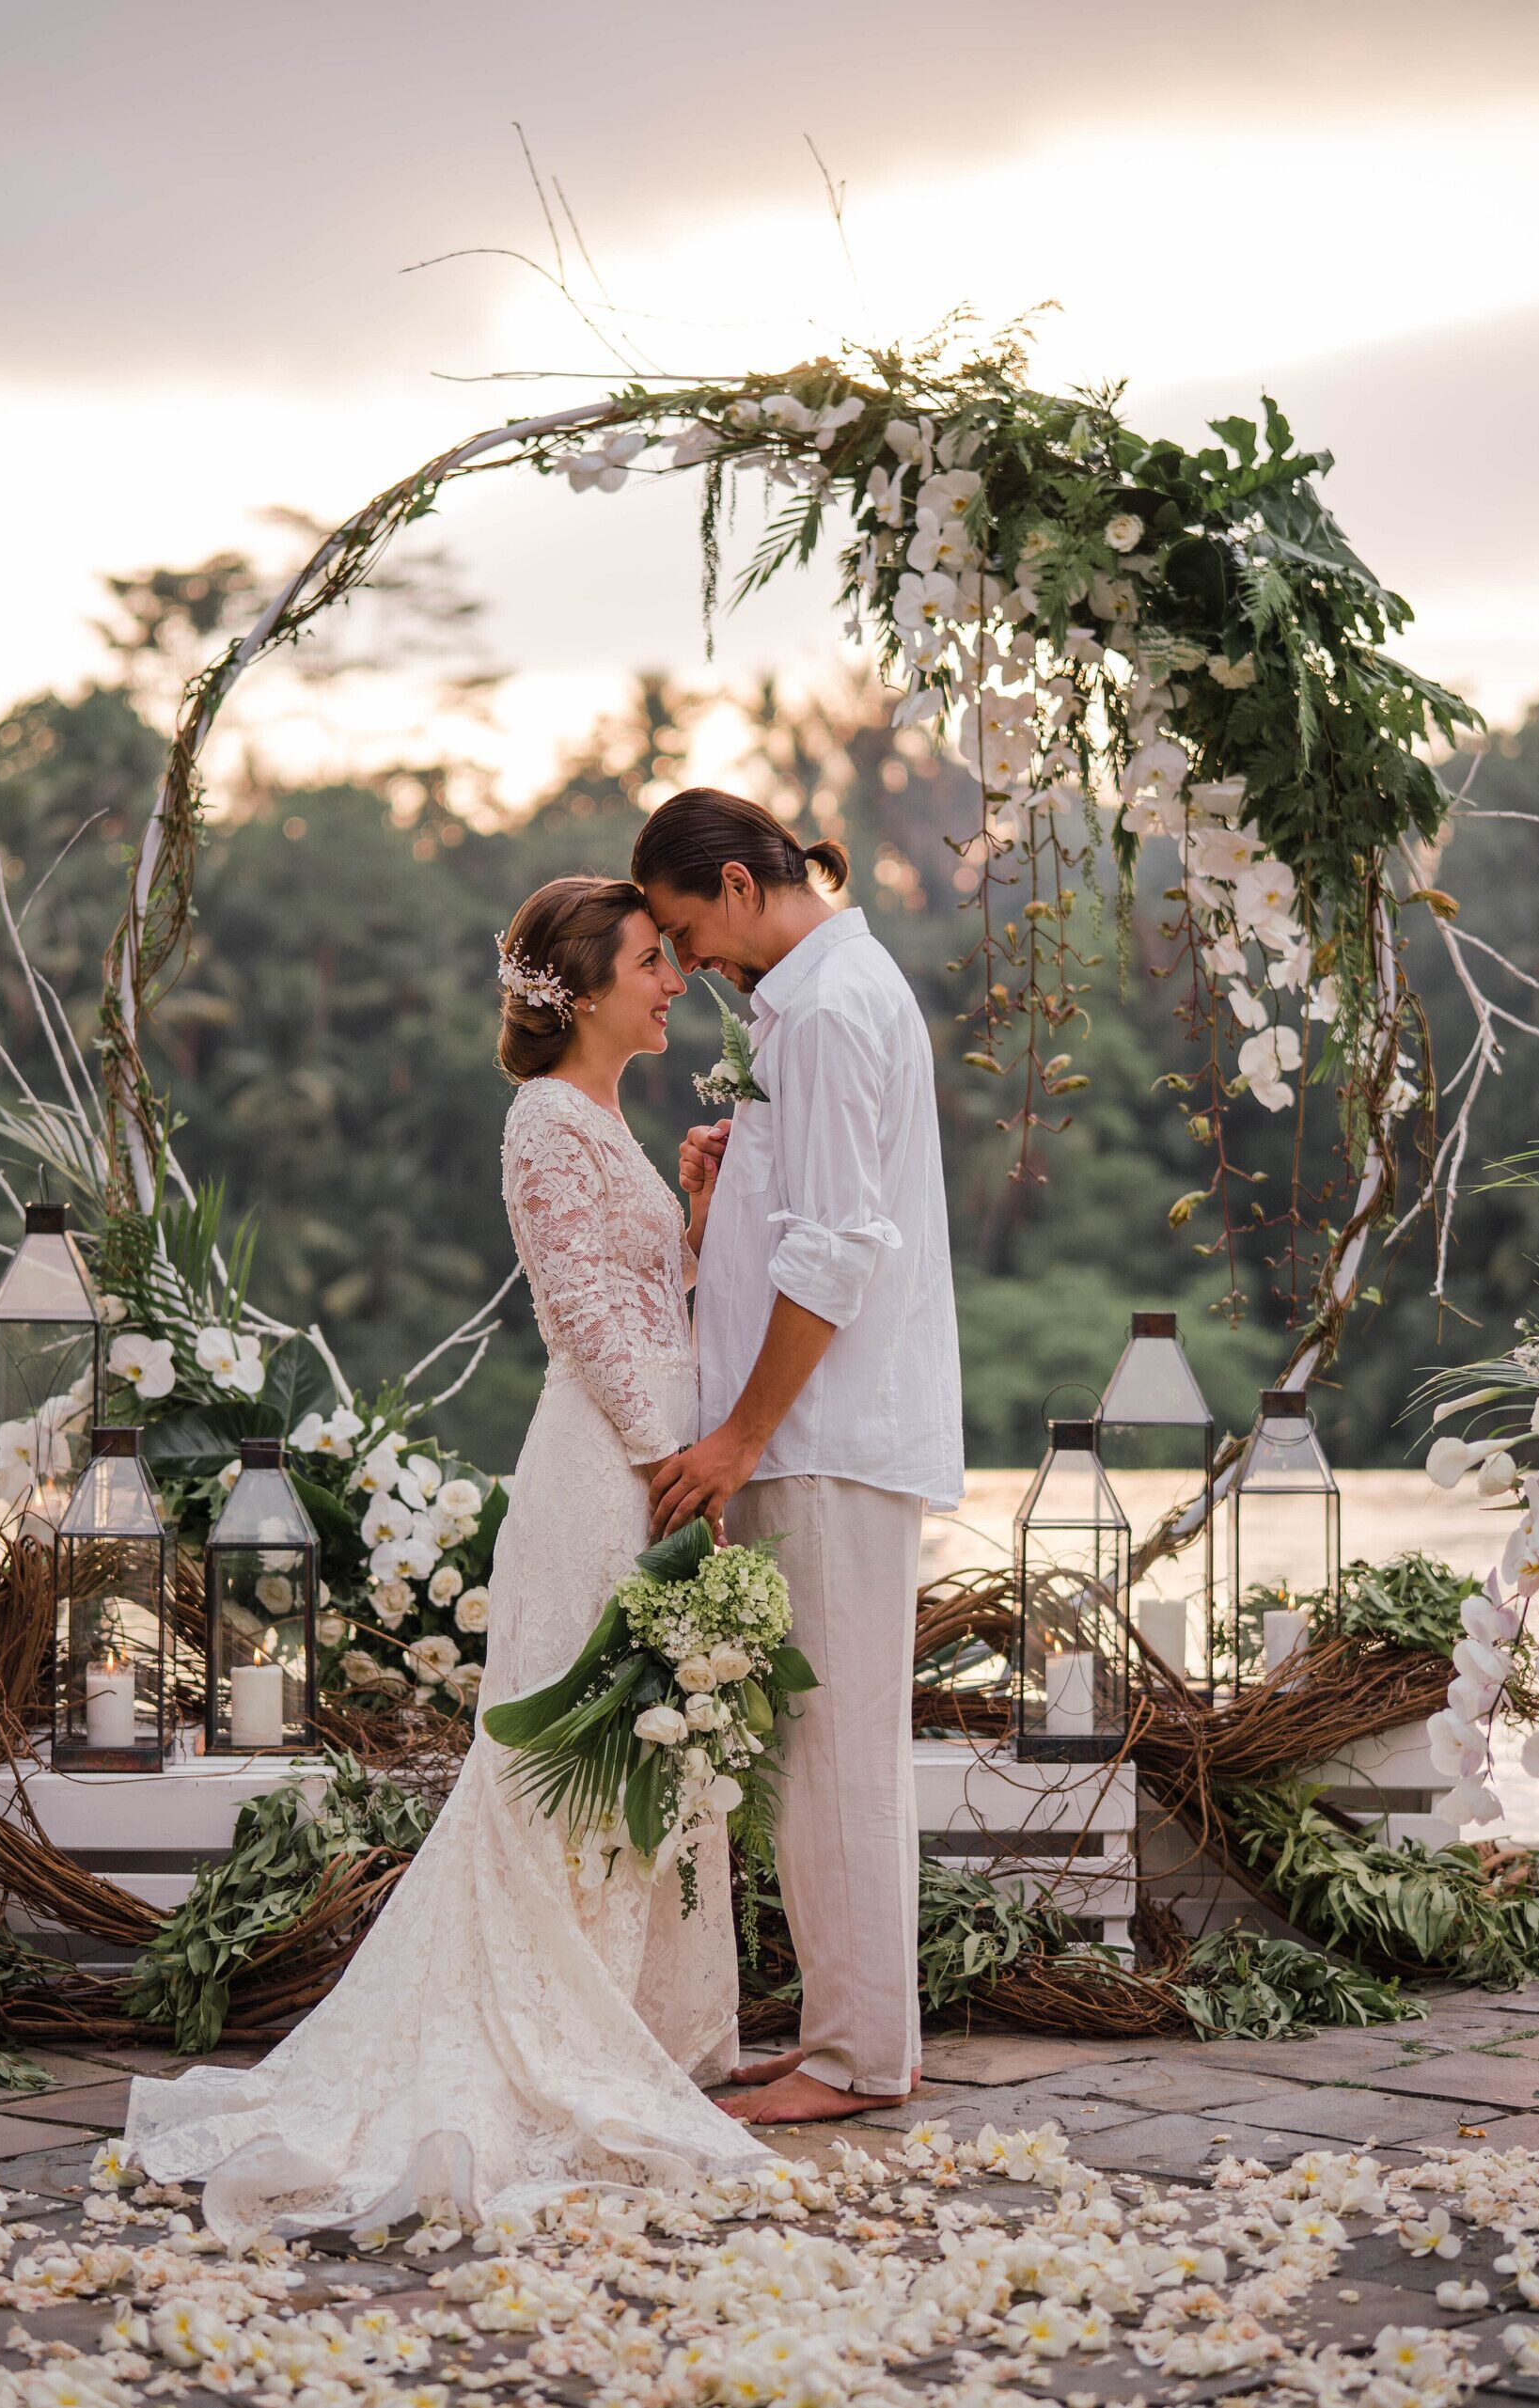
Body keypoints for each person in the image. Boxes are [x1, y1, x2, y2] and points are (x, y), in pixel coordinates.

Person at [116, 876, 771, 2238]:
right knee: (569, 1750)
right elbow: (583, 1316)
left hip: (650, 1454)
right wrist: (672, 1470)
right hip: (608, 1473)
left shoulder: (604, 1121)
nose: (672, 981)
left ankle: (633, 2026)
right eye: (653, 961)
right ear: (584, 991)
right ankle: (551, 2035)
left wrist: (695, 1213)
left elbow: (653, 1295)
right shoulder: (543, 1120)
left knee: (641, 1738)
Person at [636, 788, 962, 2128]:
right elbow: (812, 1217)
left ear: (732, 879)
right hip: (826, 1431)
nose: (687, 962)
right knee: (837, 1747)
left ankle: (856, 2057)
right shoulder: (814, 997)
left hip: (820, 1439)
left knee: (832, 1748)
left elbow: (838, 1251)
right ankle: (861, 2033)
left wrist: (737, 1438)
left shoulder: (825, 1009)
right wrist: (732, 1178)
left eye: (681, 929)